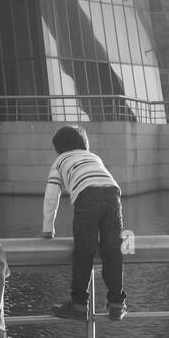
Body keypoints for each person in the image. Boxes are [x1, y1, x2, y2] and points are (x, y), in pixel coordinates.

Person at [41, 124, 127, 322]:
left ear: (58, 148)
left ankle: (79, 304)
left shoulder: (59, 161)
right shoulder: (94, 157)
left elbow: (51, 197)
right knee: (113, 250)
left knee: (84, 250)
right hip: (113, 193)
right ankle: (116, 303)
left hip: (86, 195)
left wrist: (48, 229)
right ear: (84, 144)